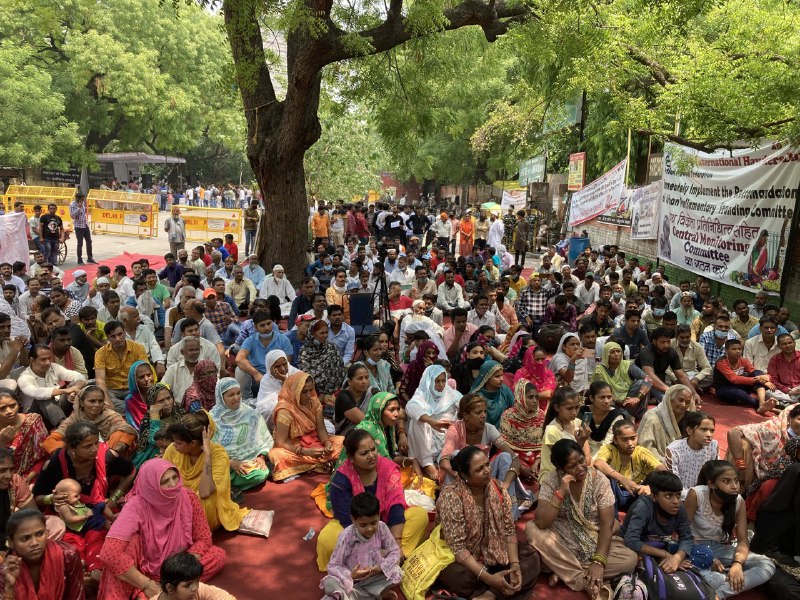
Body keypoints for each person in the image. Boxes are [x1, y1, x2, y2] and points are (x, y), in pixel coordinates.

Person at [97, 459, 226, 600]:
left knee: (217, 555)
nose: (173, 485)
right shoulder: (136, 506)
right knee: (124, 551)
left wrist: (183, 567)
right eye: (165, 482)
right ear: (151, 485)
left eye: (175, 477)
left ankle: (163, 588)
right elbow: (109, 553)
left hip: (176, 565)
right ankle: (161, 589)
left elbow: (203, 538)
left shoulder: (187, 497)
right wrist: (145, 584)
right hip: (144, 568)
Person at [526, 439, 637, 599]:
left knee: (630, 560)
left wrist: (599, 562)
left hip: (593, 540)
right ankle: (584, 580)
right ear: (561, 469)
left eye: (581, 460)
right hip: (561, 539)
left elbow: (607, 525)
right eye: (572, 466)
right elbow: (541, 522)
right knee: (532, 530)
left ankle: (561, 570)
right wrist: (561, 493)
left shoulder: (599, 480)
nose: (580, 468)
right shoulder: (551, 480)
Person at [433, 445, 540, 600]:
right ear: (464, 475)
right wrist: (488, 578)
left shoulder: (497, 488)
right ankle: (499, 587)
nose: (487, 471)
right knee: (457, 576)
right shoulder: (452, 497)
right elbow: (458, 549)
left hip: (495, 552)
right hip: (466, 560)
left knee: (532, 557)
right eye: (479, 469)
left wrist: (515, 565)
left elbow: (509, 531)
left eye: (487, 465)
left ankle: (490, 595)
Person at [317, 430, 428, 570]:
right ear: (351, 458)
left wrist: (396, 543)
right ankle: (361, 563)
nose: (371, 456)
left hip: (385, 524)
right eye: (364, 453)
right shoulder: (341, 479)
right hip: (356, 527)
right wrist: (369, 545)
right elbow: (346, 518)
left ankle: (398, 556)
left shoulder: (388, 468)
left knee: (419, 516)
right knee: (327, 539)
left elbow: (395, 505)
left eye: (373, 449)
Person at [685, 460, 775, 598]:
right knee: (714, 579)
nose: (734, 486)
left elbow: (743, 541)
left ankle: (718, 594)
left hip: (722, 548)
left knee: (767, 565)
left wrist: (737, 564)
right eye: (726, 481)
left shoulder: (738, 500)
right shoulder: (696, 494)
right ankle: (719, 578)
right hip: (695, 547)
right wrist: (707, 557)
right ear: (711, 484)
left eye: (736, 481)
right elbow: (682, 534)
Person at [438, 394, 530, 513]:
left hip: (483, 475)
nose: (483, 416)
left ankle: (509, 512)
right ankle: (453, 508)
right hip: (463, 476)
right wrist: (460, 476)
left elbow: (515, 458)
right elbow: (443, 462)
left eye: (484, 412)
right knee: (456, 455)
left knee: (506, 457)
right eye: (478, 412)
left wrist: (505, 484)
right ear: (466, 415)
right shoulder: (455, 430)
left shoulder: (489, 429)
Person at [33, 421, 135, 523]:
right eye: (87, 446)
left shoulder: (106, 456)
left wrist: (114, 498)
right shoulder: (56, 462)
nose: (95, 449)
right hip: (68, 518)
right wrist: (51, 499)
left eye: (96, 443)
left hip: (102, 512)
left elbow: (131, 472)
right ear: (72, 448)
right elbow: (36, 498)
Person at [164, 411, 249, 531]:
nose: (174, 446)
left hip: (199, 500)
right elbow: (163, 481)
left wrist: (207, 455)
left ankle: (189, 529)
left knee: (205, 501)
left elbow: (205, 492)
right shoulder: (172, 450)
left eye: (178, 443)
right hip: (177, 499)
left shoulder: (218, 454)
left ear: (193, 443)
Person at [320, 492, 402, 600]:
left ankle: (349, 596)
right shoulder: (347, 536)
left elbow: (395, 551)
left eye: (373, 523)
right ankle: (375, 595)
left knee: (398, 572)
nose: (369, 529)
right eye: (363, 525)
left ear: (378, 515)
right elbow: (334, 565)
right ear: (353, 520)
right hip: (352, 581)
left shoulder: (382, 527)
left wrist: (380, 568)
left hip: (374, 576)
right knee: (330, 583)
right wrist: (351, 575)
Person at [268, 372, 345, 482]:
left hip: (316, 442)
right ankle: (321, 463)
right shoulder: (285, 410)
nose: (309, 395)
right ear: (295, 391)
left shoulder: (313, 402)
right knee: (277, 455)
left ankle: (314, 464)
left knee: (343, 442)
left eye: (311, 390)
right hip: (294, 448)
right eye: (304, 392)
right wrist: (306, 452)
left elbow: (321, 429)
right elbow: (281, 442)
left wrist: (327, 443)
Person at [620, 471, 695, 578]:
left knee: (704, 554)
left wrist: (676, 558)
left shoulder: (679, 507)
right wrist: (666, 555)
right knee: (629, 561)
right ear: (654, 496)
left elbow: (687, 538)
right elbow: (631, 541)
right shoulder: (643, 506)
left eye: (678, 495)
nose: (675, 501)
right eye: (668, 496)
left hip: (662, 544)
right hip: (637, 547)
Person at [0, 509, 85, 600]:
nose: (34, 543)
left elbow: (77, 597)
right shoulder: (6, 571)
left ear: (47, 532)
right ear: (11, 542)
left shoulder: (68, 555)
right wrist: (9, 588)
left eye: (39, 534)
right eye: (25, 538)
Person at [210, 378, 273, 491]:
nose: (237, 398)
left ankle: (227, 485)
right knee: (208, 472)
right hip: (223, 464)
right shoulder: (212, 419)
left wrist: (261, 457)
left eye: (238, 393)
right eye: (231, 395)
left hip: (248, 461)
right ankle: (226, 483)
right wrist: (230, 462)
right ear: (221, 397)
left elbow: (264, 439)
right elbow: (209, 450)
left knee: (260, 474)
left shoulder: (251, 415)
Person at [42, 385, 137, 458]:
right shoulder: (75, 418)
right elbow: (51, 440)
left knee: (123, 433)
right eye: (92, 401)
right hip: (82, 457)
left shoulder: (110, 415)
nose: (97, 405)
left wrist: (111, 452)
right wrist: (74, 452)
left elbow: (127, 430)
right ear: (82, 403)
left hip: (109, 456)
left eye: (100, 401)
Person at [593, 419, 666, 513]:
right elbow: (598, 463)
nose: (630, 443)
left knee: (655, 476)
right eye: (624, 439)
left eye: (633, 438)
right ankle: (613, 518)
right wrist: (622, 479)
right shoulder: (609, 449)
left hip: (637, 493)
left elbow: (662, 470)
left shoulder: (641, 452)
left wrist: (650, 487)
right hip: (616, 493)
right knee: (606, 476)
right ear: (615, 440)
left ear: (637, 437)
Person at [405, 365, 461, 480]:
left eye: (443, 381)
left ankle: (442, 463)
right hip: (427, 438)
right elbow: (411, 406)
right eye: (437, 381)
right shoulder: (422, 392)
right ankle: (427, 464)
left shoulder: (452, 394)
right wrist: (432, 422)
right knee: (417, 421)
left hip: (447, 434)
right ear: (429, 381)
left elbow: (465, 405)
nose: (441, 385)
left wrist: (455, 420)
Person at [727, 404, 800, 489]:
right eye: (799, 419)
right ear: (789, 418)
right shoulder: (772, 429)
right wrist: (740, 463)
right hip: (766, 477)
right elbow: (733, 433)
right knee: (744, 445)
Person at [16, 344, 86, 427]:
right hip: (36, 415)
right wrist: (66, 391)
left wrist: (74, 391)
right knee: (43, 399)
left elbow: (79, 376)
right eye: (43, 359)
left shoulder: (53, 367)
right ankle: (65, 428)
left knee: (83, 384)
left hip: (58, 408)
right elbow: (37, 393)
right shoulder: (24, 377)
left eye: (49, 358)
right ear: (32, 360)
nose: (48, 362)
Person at [636, 327, 702, 405]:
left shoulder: (671, 352)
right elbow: (650, 376)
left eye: (668, 341)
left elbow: (681, 376)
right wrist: (668, 390)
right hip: (643, 383)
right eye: (663, 342)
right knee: (672, 400)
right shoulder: (646, 352)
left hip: (660, 383)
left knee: (681, 395)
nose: (666, 345)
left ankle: (654, 400)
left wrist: (694, 394)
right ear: (654, 341)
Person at [96, 322, 149, 414]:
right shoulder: (101, 353)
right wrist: (107, 401)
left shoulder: (138, 348)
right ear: (108, 338)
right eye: (113, 336)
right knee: (103, 403)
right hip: (111, 390)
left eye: (120, 334)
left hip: (133, 388)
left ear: (125, 333)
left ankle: (128, 410)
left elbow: (145, 373)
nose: (117, 339)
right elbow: (100, 381)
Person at [539, 387, 591, 480]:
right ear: (557, 408)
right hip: (555, 476)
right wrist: (581, 442)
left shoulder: (578, 423)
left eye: (577, 407)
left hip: (577, 471)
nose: (574, 412)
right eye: (569, 408)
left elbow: (587, 458)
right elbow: (564, 463)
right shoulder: (552, 430)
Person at [714, 338, 777, 415]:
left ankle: (762, 404)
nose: (737, 351)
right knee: (740, 394)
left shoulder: (743, 360)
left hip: (740, 385)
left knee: (758, 372)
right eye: (734, 349)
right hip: (725, 388)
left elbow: (754, 372)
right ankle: (765, 406)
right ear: (726, 350)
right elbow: (734, 379)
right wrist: (760, 380)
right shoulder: (721, 363)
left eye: (739, 349)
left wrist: (764, 378)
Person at [500, 380, 547, 482]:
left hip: (537, 459)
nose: (535, 401)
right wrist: (520, 466)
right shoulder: (508, 416)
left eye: (536, 397)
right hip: (514, 458)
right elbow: (503, 446)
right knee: (504, 459)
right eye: (530, 397)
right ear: (520, 398)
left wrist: (537, 462)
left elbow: (543, 445)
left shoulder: (541, 416)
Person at [591, 342, 649, 420]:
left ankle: (635, 415)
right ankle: (625, 415)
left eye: (618, 351)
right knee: (605, 398)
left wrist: (637, 398)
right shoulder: (599, 370)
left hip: (628, 401)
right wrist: (620, 402)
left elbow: (648, 379)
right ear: (606, 354)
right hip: (611, 402)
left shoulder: (627, 365)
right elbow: (602, 393)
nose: (616, 354)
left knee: (642, 383)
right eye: (612, 352)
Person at [664, 411, 718, 497]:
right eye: (703, 429)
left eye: (712, 430)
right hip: (679, 495)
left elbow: (713, 474)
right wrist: (695, 497)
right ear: (689, 431)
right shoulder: (674, 450)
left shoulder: (713, 446)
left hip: (705, 494)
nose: (709, 435)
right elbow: (673, 483)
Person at [637, 384, 693, 462]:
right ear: (670, 399)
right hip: (657, 462)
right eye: (680, 400)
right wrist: (665, 463)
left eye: (687, 402)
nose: (684, 405)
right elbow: (646, 446)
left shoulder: (689, 417)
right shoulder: (652, 417)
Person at [134, 383, 186, 468]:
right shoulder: (147, 420)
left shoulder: (179, 411)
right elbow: (154, 440)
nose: (167, 403)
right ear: (152, 404)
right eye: (161, 401)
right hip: (157, 453)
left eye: (169, 398)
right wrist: (154, 416)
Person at [0, 389, 48, 480]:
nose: (9, 411)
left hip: (32, 475)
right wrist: (1, 443)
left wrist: (29, 478)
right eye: (2, 408)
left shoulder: (33, 421)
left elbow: (44, 454)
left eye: (12, 405)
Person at [579, 381, 627, 457]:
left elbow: (607, 443)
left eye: (609, 397)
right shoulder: (583, 412)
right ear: (592, 398)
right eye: (602, 397)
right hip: (583, 452)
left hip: (606, 454)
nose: (607, 401)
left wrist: (594, 461)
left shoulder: (616, 415)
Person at [255, 349, 299, 426]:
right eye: (278, 366)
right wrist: (283, 380)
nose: (282, 368)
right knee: (270, 409)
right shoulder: (266, 380)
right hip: (280, 413)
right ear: (270, 367)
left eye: (284, 364)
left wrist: (285, 381)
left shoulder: (296, 374)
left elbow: (298, 397)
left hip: (297, 409)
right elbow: (264, 405)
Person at [469, 360, 515, 429]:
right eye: (497, 376)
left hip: (506, 432)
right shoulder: (477, 397)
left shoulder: (505, 390)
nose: (501, 379)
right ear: (487, 378)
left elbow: (515, 409)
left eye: (502, 375)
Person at [398, 340, 439, 404]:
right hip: (412, 401)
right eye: (428, 353)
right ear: (421, 353)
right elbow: (403, 389)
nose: (431, 356)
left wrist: (431, 369)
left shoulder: (438, 367)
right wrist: (411, 403)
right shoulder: (413, 366)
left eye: (434, 353)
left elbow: (438, 390)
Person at [123, 360, 157, 431]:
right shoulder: (131, 400)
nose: (146, 379)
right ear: (134, 380)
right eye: (141, 377)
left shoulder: (160, 393)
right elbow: (133, 425)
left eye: (149, 375)